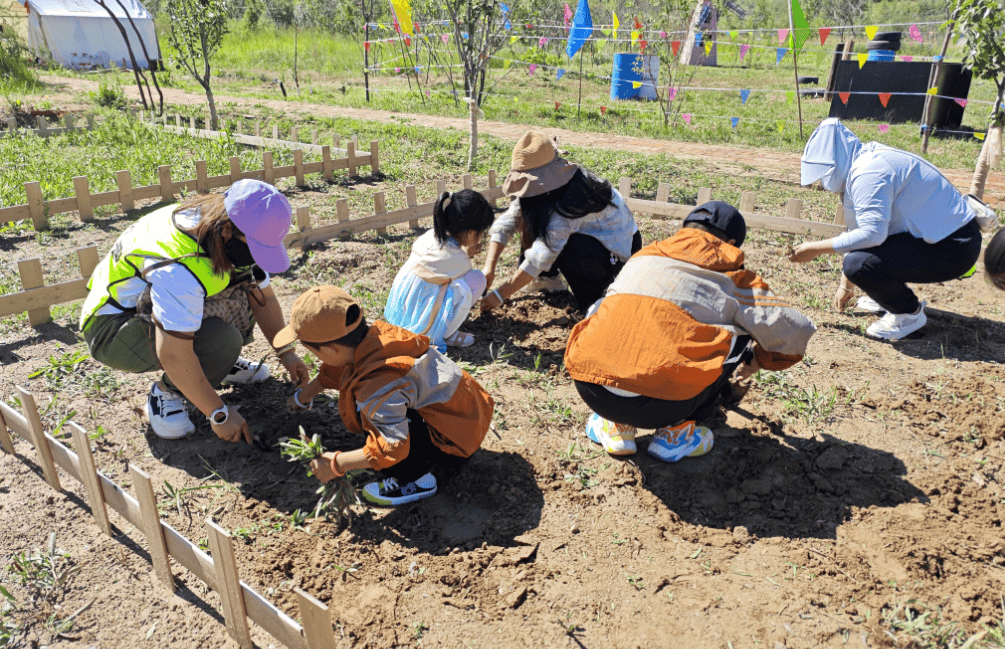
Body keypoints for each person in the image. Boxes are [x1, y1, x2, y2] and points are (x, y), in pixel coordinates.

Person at [564, 202, 817, 462]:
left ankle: (614, 426)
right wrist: (757, 361)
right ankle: (676, 435)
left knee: (610, 309)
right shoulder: (734, 277)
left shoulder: (644, 257)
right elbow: (797, 331)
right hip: (663, 406)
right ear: (730, 242)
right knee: (740, 331)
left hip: (592, 388)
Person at [80, 180, 310, 441]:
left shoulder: (214, 221)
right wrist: (218, 413)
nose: (257, 256)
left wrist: (286, 353)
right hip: (112, 327)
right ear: (226, 230)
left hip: (148, 303)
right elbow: (174, 354)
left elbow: (263, 298)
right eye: (255, 246)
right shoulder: (179, 266)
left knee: (245, 285)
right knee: (223, 341)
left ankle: (219, 364)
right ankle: (167, 392)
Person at [275, 286, 495, 506]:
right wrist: (304, 395)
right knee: (369, 403)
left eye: (313, 351)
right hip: (467, 416)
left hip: (455, 442)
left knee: (368, 411)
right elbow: (337, 369)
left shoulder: (376, 384)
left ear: (331, 351)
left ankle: (417, 480)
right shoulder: (374, 338)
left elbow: (393, 446)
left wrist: (336, 463)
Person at [791, 118, 981, 340]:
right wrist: (847, 287)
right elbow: (862, 233)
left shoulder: (868, 173)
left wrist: (814, 248)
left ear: (839, 157)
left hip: (954, 247)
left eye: (827, 168)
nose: (824, 178)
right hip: (945, 238)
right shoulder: (863, 162)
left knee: (858, 264)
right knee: (861, 260)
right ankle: (885, 294)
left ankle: (908, 315)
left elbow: (872, 234)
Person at [480, 130, 642, 314]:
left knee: (568, 245)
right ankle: (547, 280)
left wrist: (500, 295)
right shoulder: (543, 192)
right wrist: (489, 268)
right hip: (591, 239)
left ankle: (597, 297)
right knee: (531, 216)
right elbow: (508, 221)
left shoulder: (571, 201)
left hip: (615, 252)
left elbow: (542, 254)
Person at [384, 190, 494, 351]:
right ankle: (446, 333)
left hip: (400, 308)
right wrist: (468, 253)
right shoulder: (460, 259)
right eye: (481, 231)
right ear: (470, 232)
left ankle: (425, 324)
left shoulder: (431, 236)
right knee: (477, 280)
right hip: (422, 320)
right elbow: (459, 273)